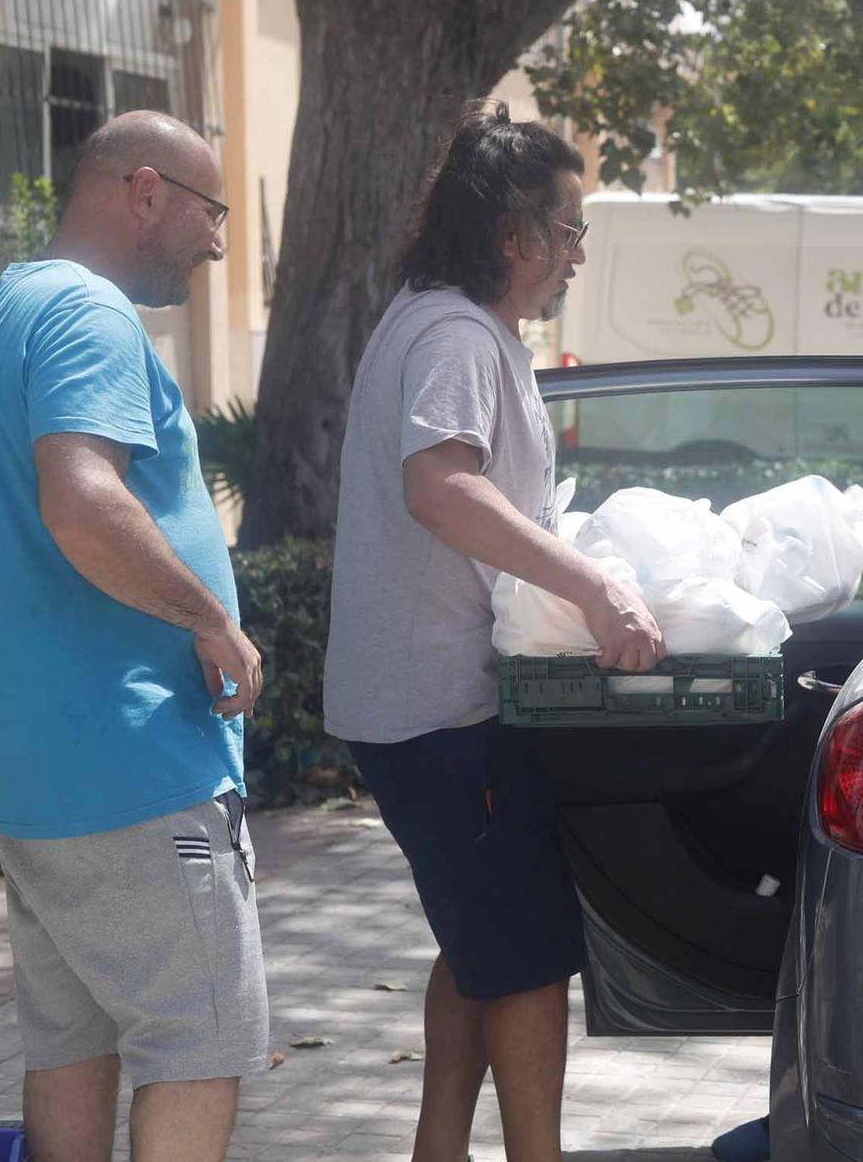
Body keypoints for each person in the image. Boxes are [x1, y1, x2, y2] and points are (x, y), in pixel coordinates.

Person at [325, 100, 663, 1162]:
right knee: (521, 955)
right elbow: (441, 487)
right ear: (512, 231)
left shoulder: (448, 322)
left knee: (476, 936)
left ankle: (438, 1149)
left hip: (427, 707)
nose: (573, 256)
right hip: (443, 713)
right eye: (568, 231)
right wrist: (597, 589)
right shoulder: (455, 335)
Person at [0, 111, 267, 1162]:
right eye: (211, 213)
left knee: (69, 1042)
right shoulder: (89, 315)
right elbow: (81, 503)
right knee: (198, 1040)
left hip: (35, 774)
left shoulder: (6, 309)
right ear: (143, 189)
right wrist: (212, 620)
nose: (217, 243)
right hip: (133, 771)